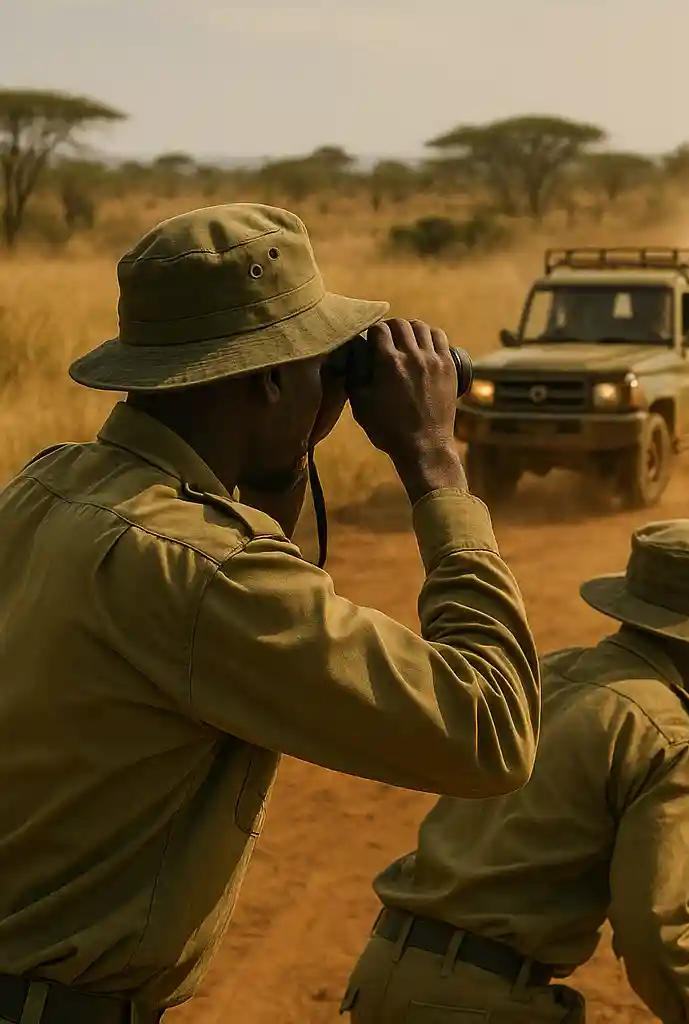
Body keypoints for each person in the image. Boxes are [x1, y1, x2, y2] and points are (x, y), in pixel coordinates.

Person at [0, 203, 543, 1024]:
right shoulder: (203, 572)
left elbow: (232, 611)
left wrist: (283, 450)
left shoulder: (45, 488)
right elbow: (491, 731)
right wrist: (434, 459)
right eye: (319, 361)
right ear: (266, 379)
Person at [341, 518, 689, 1024]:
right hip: (482, 1004)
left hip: (382, 973)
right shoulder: (676, 738)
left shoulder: (544, 675)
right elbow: (653, 933)